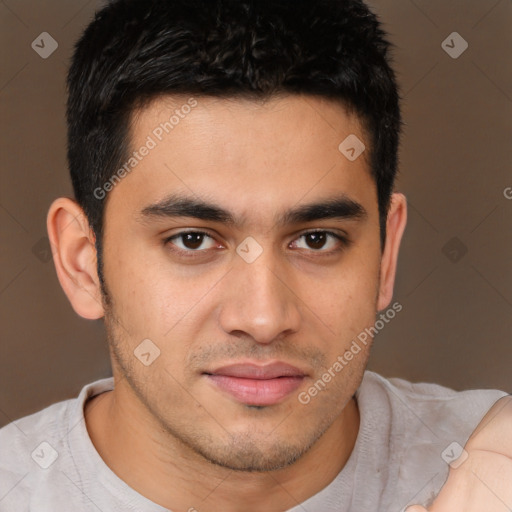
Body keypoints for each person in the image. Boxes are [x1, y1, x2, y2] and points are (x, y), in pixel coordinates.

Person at [0, 0, 510, 511]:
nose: (264, 319)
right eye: (193, 240)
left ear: (385, 255)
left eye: (317, 240)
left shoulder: (485, 468)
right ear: (83, 262)